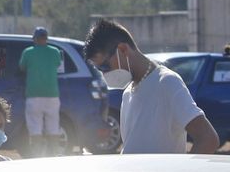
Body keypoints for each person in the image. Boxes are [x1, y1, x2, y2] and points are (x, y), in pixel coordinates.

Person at [85, 19, 220, 154]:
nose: (104, 74)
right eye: (99, 70)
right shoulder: (128, 93)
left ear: (123, 49)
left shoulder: (167, 82)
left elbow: (208, 139)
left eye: (105, 66)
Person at [17, 27, 64, 157]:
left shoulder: (28, 52)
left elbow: (22, 67)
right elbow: (58, 65)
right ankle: (54, 155)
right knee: (53, 128)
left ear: (35, 39)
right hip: (52, 95)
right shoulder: (55, 52)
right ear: (46, 38)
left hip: (34, 95)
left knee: (35, 129)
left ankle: (36, 156)